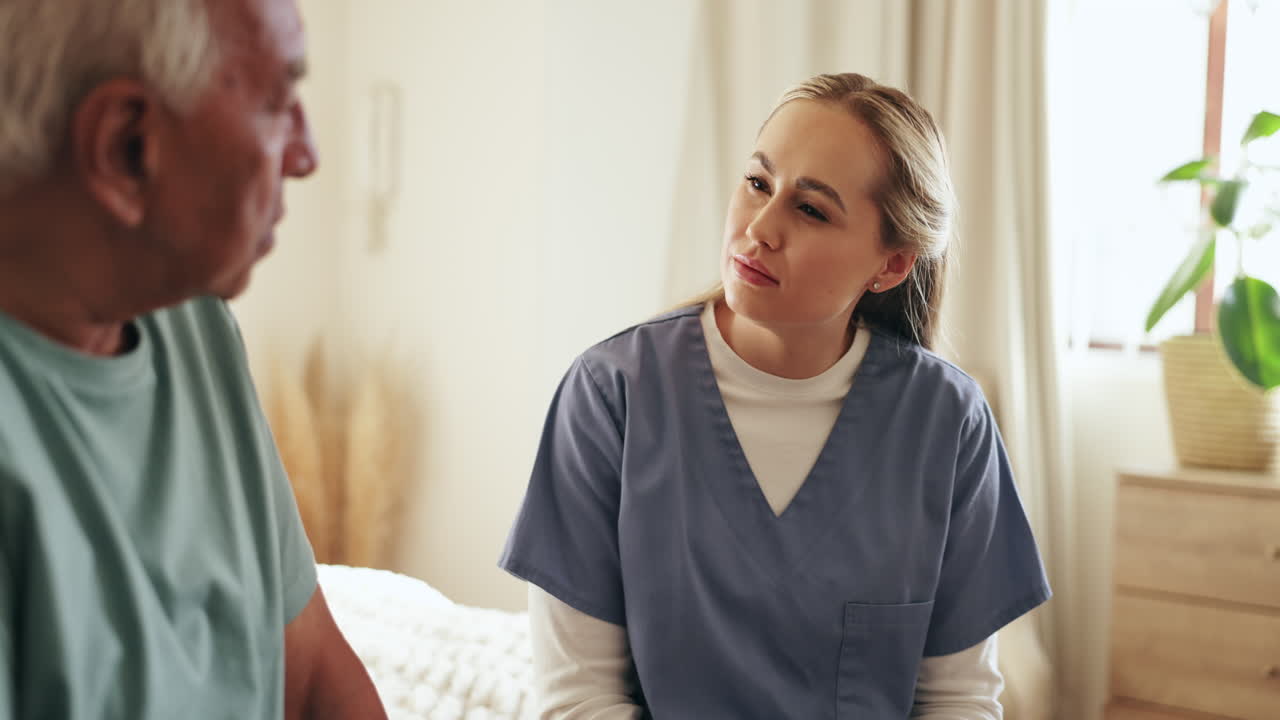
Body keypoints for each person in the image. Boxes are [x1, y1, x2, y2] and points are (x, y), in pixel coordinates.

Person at [500, 72, 1050, 718]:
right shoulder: (610, 397)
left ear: (892, 264)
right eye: (758, 183)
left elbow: (958, 698)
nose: (759, 228)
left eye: (810, 209)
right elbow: (576, 697)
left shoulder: (947, 424)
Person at [0, 0, 387, 717]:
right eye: (276, 105)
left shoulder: (195, 323)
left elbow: (309, 681)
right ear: (126, 147)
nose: (307, 155)